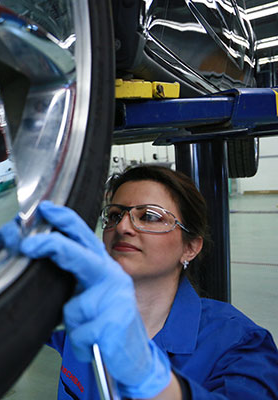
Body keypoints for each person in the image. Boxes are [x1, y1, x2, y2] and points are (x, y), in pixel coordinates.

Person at [20, 165, 278, 399]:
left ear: (190, 248)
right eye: (114, 215)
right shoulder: (74, 321)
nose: (123, 227)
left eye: (150, 216)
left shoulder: (238, 343)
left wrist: (155, 383)